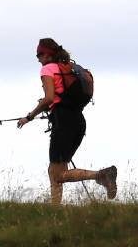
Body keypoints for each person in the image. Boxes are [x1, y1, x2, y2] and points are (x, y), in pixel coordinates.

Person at [17, 37, 117, 205]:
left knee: (58, 174)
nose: (38, 58)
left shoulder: (48, 70)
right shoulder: (68, 68)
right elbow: (58, 97)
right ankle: (55, 211)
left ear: (48, 54)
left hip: (64, 122)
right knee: (56, 170)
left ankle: (101, 175)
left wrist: (30, 116)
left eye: (40, 54)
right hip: (78, 121)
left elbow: (49, 98)